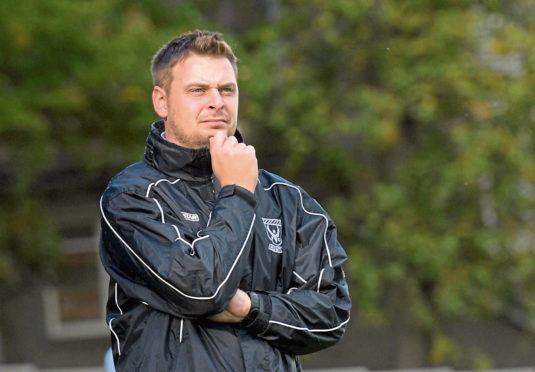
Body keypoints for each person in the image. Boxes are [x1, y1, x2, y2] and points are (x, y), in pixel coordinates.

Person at [99, 30, 351, 371]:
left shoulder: (289, 202)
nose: (216, 101)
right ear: (162, 101)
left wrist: (251, 308)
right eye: (198, 90)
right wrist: (237, 191)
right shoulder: (131, 197)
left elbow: (331, 313)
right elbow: (201, 289)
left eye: (227, 90)